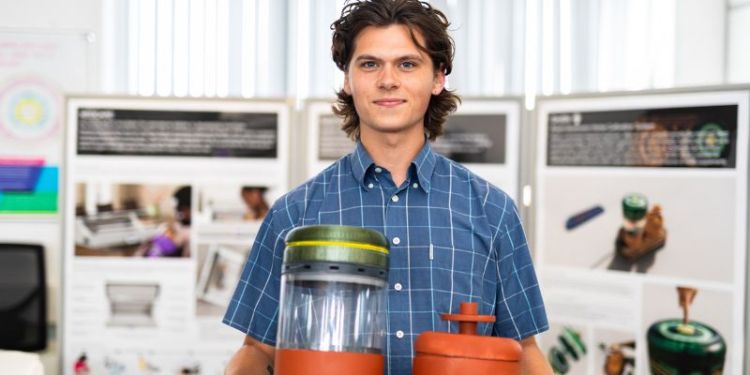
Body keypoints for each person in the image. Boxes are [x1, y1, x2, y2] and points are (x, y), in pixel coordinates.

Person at [223, 1, 551, 374]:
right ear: (347, 79)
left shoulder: (493, 211)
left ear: (438, 77)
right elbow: (258, 350)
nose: (388, 80)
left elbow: (525, 351)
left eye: (407, 64)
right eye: (369, 63)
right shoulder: (294, 213)